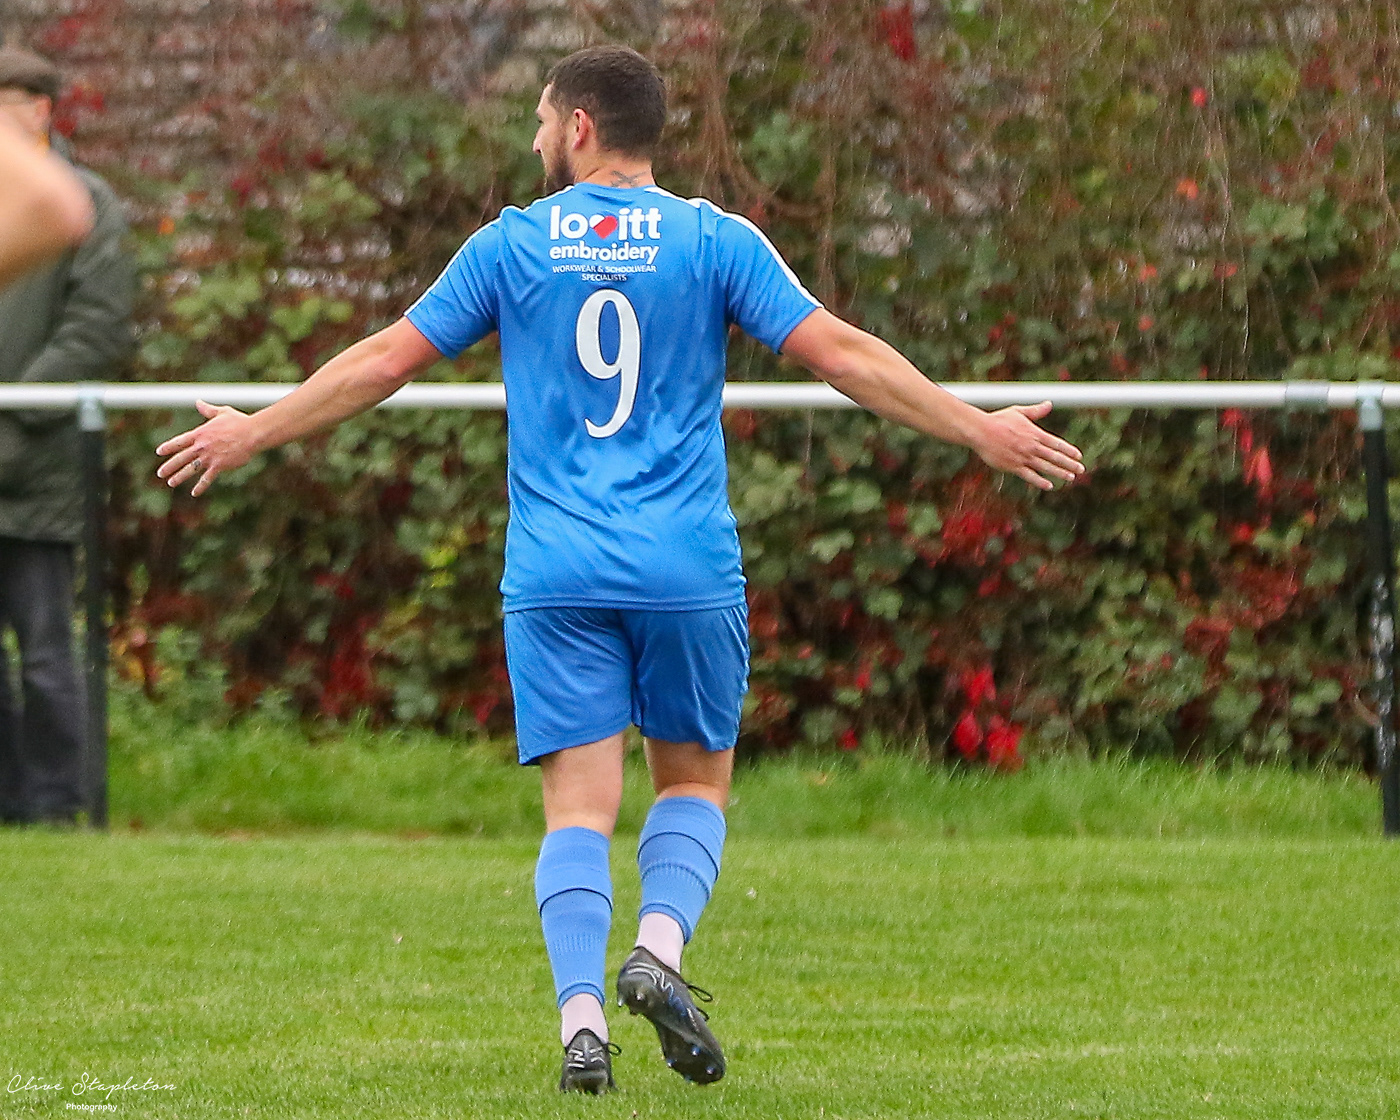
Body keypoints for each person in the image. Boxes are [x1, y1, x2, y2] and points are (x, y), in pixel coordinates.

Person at [155, 45, 1084, 1091]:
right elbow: (842, 354)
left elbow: (381, 362)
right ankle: (659, 950)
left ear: (582, 126)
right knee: (692, 785)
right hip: (684, 565)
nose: (535, 137)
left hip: (554, 573)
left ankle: (580, 1024)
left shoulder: (510, 245)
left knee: (577, 810)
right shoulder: (712, 240)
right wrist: (975, 430)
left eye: (543, 119)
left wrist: (254, 430)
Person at [0, 46, 134, 825]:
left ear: (41, 110)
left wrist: (15, 412)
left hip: (41, 465)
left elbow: (96, 330)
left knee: (48, 653)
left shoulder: (87, 204)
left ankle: (57, 808)